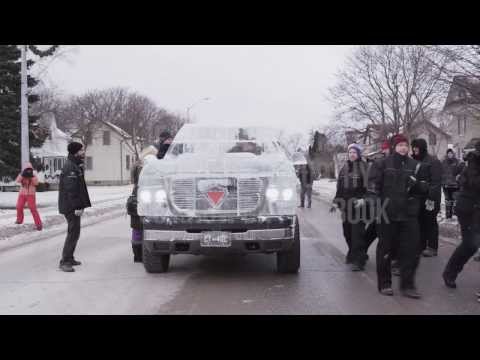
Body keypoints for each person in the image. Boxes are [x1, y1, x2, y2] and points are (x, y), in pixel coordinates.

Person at [368, 134, 426, 299]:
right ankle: (385, 283)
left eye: (405, 145)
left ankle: (408, 285)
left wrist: (417, 185)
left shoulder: (415, 165)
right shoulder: (382, 164)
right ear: (394, 147)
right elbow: (373, 187)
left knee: (412, 250)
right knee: (385, 250)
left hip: (408, 215)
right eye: (400, 145)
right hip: (387, 214)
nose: (403, 148)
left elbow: (424, 188)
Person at [442, 140, 480, 289]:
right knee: (470, 245)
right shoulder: (474, 160)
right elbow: (474, 182)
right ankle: (450, 273)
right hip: (469, 209)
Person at [331, 143, 369, 271]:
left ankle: (359, 260)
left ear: (358, 154)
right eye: (350, 152)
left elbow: (369, 187)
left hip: (359, 207)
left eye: (354, 152)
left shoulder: (364, 167)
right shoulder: (344, 167)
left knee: (357, 234)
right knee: (347, 233)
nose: (352, 154)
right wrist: (336, 201)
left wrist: (364, 199)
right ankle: (353, 252)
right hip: (346, 206)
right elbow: (340, 187)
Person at [58, 142, 92, 272]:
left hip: (73, 205)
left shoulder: (75, 165)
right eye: (81, 150)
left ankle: (70, 257)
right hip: (71, 206)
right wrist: (77, 206)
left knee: (75, 232)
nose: (83, 152)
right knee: (73, 233)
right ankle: (65, 261)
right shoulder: (70, 167)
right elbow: (71, 189)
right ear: (76, 152)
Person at [411, 138, 443, 258]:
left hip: (431, 198)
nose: (414, 149)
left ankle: (432, 247)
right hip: (418, 197)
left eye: (417, 147)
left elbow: (436, 182)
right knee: (420, 221)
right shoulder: (414, 161)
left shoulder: (433, 161)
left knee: (430, 221)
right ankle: (421, 245)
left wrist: (431, 198)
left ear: (422, 148)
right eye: (413, 147)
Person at [127, 146, 158, 262]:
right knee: (146, 226)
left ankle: (137, 255)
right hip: (148, 198)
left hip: (136, 197)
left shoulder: (135, 166)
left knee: (136, 228)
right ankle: (144, 253)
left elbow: (133, 181)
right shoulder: (151, 167)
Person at [15, 162, 43, 231]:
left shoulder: (33, 175)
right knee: (19, 206)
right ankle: (19, 220)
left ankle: (39, 224)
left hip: (31, 194)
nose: (28, 171)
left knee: (33, 209)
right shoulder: (22, 174)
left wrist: (32, 177)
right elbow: (17, 181)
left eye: (29, 169)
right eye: (27, 169)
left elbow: (36, 183)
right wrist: (22, 175)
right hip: (22, 194)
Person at [441, 149, 462, 220]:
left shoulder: (457, 162)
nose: (450, 155)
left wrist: (459, 176)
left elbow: (461, 171)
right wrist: (442, 182)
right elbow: (441, 173)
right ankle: (448, 215)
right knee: (447, 200)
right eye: (448, 153)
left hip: (455, 185)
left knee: (455, 200)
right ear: (447, 154)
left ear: (453, 154)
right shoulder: (443, 162)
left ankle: (455, 214)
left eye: (451, 153)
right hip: (446, 185)